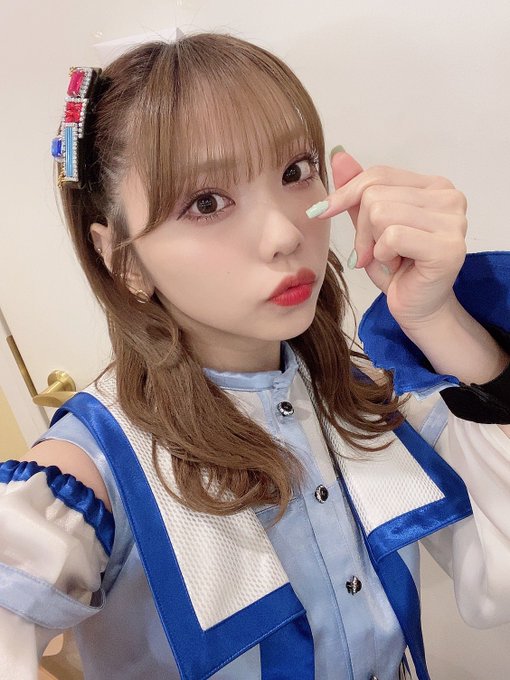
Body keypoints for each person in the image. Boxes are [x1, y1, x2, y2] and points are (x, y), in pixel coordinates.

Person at [1, 31, 509, 680]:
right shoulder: (91, 471)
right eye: (206, 202)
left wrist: (436, 317)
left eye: (295, 171)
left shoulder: (362, 389)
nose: (284, 233)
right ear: (123, 260)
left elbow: (499, 571)